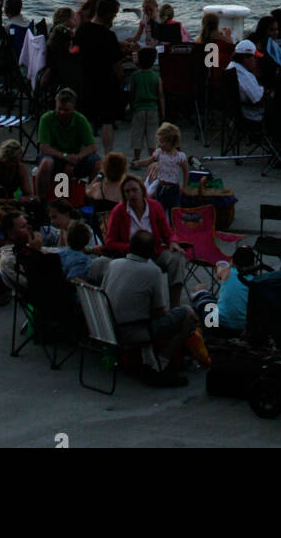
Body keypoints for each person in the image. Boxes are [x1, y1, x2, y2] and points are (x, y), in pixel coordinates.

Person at [102, 229, 197, 386]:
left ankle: (150, 360)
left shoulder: (114, 264)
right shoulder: (152, 271)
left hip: (107, 328)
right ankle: (159, 364)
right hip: (134, 331)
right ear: (152, 252)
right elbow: (159, 311)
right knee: (188, 315)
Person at [104, 175, 187, 307]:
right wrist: (132, 247)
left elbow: (168, 232)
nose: (131, 194)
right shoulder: (119, 211)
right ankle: (155, 308)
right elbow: (109, 242)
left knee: (177, 258)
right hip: (131, 256)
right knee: (150, 270)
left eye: (134, 190)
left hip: (155, 251)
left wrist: (172, 242)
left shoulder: (155, 207)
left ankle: (175, 306)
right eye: (127, 192)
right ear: (123, 195)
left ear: (142, 190)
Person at [74, 0, 125, 156]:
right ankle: (108, 155)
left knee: (85, 120)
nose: (115, 17)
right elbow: (117, 64)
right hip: (105, 82)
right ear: (109, 14)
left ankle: (82, 153)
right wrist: (121, 83)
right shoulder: (109, 36)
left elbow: (75, 50)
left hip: (86, 79)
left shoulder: (82, 30)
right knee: (107, 122)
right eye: (115, 14)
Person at [36, 88, 100, 203]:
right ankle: (42, 200)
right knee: (46, 163)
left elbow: (92, 146)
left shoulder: (80, 120)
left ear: (73, 108)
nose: (62, 113)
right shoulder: (47, 118)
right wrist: (64, 156)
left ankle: (90, 198)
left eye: (66, 110)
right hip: (55, 156)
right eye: (59, 109)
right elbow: (43, 147)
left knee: (98, 163)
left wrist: (77, 157)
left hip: (75, 157)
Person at [136, 121, 188, 218]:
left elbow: (185, 171)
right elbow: (149, 161)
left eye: (162, 142)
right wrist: (138, 162)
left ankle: (174, 230)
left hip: (173, 188)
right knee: (160, 210)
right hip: (161, 186)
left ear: (170, 142)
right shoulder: (159, 153)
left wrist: (184, 186)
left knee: (174, 211)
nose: (159, 144)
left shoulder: (180, 156)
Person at [0, 139, 34, 212]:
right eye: (13, 161)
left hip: (10, 203)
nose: (16, 164)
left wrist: (29, 198)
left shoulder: (19, 166)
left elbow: (28, 192)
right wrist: (13, 201)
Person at [129, 47, 164, 161]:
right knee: (152, 136)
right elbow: (160, 95)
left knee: (137, 135)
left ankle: (136, 158)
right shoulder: (156, 76)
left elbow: (132, 93)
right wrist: (162, 111)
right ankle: (152, 158)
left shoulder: (135, 76)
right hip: (153, 109)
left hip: (138, 109)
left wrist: (131, 106)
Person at [212, 245, 257, 332]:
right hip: (242, 327)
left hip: (219, 325)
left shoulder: (227, 272)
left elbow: (218, 271)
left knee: (203, 297)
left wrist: (227, 265)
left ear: (233, 261)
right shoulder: (254, 280)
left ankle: (208, 332)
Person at [227, 39, 265, 123]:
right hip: (253, 116)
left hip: (237, 112)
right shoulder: (244, 75)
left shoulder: (231, 67)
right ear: (245, 58)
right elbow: (258, 101)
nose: (256, 60)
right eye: (254, 57)